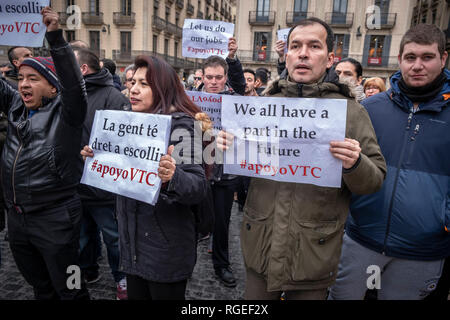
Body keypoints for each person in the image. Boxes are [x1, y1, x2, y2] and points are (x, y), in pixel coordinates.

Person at [216, 17, 386, 300]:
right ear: (287, 54)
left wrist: (355, 163)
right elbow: (240, 170)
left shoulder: (352, 112)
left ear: (330, 58)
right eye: (295, 46)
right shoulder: (261, 107)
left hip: (313, 254)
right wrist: (228, 148)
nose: (303, 53)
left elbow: (375, 180)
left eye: (314, 46)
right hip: (261, 245)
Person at [328, 23, 450, 300]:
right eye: (410, 58)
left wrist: (443, 221)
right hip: (360, 239)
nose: (417, 65)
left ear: (443, 59)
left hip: (421, 251)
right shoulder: (370, 108)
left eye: (427, 57)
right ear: (400, 60)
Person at [81, 55, 209, 300]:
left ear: (163, 88)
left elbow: (198, 187)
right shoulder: (127, 123)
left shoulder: (183, 127)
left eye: (145, 84)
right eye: (133, 82)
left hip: (165, 251)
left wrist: (172, 177)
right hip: (132, 247)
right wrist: (99, 160)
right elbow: (122, 177)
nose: (134, 89)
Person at [0, 7, 89, 300]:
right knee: (40, 286)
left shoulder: (67, 114)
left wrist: (55, 38)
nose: (24, 84)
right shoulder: (16, 107)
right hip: (18, 219)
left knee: (71, 287)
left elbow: (74, 86)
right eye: (21, 78)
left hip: (55, 218)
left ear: (53, 87)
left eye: (33, 79)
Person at [73, 47, 130, 299]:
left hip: (103, 188)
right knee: (82, 237)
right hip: (74, 185)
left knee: (114, 239)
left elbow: (125, 144)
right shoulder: (68, 94)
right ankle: (87, 271)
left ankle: (122, 279)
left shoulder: (114, 97)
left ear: (83, 69)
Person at [198, 38, 245, 288]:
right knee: (192, 220)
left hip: (226, 174)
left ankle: (222, 264)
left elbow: (247, 133)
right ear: (202, 77)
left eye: (218, 77)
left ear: (225, 76)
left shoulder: (237, 100)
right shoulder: (190, 99)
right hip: (198, 171)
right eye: (209, 77)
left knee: (222, 223)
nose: (214, 81)